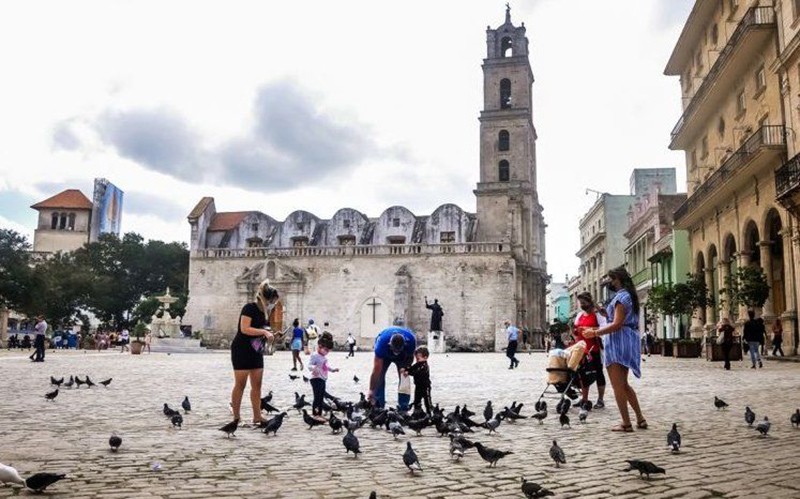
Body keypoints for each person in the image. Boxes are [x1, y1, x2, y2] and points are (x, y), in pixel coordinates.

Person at [584, 267, 647, 433]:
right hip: (628, 340)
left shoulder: (620, 298)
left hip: (618, 342)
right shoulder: (629, 296)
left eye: (612, 279)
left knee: (618, 386)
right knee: (624, 384)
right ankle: (640, 418)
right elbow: (619, 318)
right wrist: (603, 312)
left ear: (618, 279)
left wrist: (595, 332)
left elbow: (617, 323)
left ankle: (626, 423)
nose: (610, 283)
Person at [230, 279, 279, 426]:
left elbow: (264, 332)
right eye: (272, 301)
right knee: (241, 384)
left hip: (256, 350)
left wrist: (274, 335)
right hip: (242, 349)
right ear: (266, 298)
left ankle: (257, 416)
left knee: (257, 384)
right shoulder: (249, 308)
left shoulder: (265, 313)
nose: (274, 304)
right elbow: (244, 328)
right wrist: (264, 331)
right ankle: (236, 417)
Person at [368, 321, 417, 411]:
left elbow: (410, 358)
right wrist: (371, 389)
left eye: (398, 351)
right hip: (385, 355)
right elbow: (376, 370)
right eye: (395, 350)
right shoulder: (381, 344)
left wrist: (406, 369)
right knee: (380, 376)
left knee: (404, 378)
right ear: (390, 345)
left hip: (403, 356)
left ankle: (403, 406)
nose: (396, 353)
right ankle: (378, 405)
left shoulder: (411, 341)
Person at [572, 292, 607, 409]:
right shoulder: (580, 315)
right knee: (582, 374)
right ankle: (584, 398)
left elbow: (604, 328)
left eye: (584, 303)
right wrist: (576, 331)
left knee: (598, 373)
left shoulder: (597, 315)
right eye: (580, 303)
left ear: (589, 302)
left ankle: (600, 399)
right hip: (581, 349)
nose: (582, 305)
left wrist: (590, 329)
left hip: (594, 348)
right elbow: (575, 329)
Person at [308, 332, 338, 422]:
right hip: (315, 379)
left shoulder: (324, 357)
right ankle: (315, 414)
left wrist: (332, 370)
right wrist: (314, 368)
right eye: (325, 349)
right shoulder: (315, 355)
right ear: (320, 346)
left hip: (323, 378)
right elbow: (309, 365)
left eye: (328, 351)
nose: (326, 352)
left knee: (321, 397)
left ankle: (319, 414)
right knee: (317, 397)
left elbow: (326, 367)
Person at [404, 346, 432, 415]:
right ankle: (416, 412)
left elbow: (417, 373)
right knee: (416, 400)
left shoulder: (425, 366)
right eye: (416, 358)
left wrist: (409, 373)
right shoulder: (418, 364)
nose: (417, 359)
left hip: (425, 386)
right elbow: (412, 368)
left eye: (418, 358)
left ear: (425, 357)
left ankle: (429, 413)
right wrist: (406, 369)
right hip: (418, 386)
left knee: (427, 401)